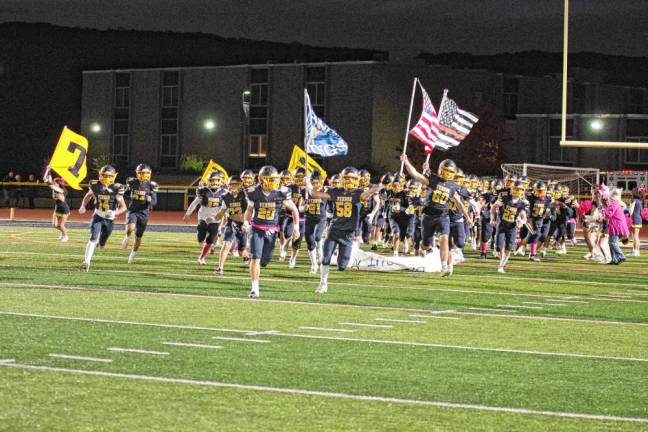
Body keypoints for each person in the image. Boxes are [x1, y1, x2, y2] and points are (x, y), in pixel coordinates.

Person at [307, 166, 382, 294]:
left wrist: (380, 186)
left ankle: (340, 261)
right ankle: (323, 283)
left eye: (351, 178)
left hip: (348, 233)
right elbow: (314, 194)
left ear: (357, 179)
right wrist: (308, 179)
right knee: (325, 258)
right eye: (346, 178)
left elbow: (367, 194)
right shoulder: (336, 191)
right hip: (334, 230)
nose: (348, 181)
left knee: (342, 266)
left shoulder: (358, 193)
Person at [401, 155, 473, 276]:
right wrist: (406, 162)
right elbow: (416, 175)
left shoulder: (453, 186)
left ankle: (444, 266)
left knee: (444, 239)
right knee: (425, 245)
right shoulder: (433, 179)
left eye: (449, 171)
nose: (447, 173)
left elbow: (459, 203)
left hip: (443, 216)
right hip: (428, 216)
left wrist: (468, 217)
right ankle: (429, 250)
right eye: (445, 170)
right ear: (440, 169)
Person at [242, 165, 299, 298]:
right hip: (257, 228)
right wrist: (246, 222)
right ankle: (254, 289)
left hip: (272, 230)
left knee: (265, 260)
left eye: (274, 179)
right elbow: (249, 210)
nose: (273, 182)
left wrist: (296, 227)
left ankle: (255, 262)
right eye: (270, 179)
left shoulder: (282, 192)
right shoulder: (253, 192)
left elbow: (294, 209)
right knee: (256, 257)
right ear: (262, 180)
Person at [78, 165, 127, 271]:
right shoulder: (95, 185)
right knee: (93, 238)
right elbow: (88, 196)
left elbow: (124, 207)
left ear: (113, 176)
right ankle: (86, 262)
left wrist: (116, 213)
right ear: (100, 175)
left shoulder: (117, 188)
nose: (105, 178)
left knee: (101, 243)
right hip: (98, 216)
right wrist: (83, 205)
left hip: (109, 220)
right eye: (103, 175)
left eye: (108, 176)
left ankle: (99, 243)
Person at [183, 171, 225, 264]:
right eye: (212, 180)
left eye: (216, 180)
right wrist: (187, 214)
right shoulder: (203, 191)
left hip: (215, 219)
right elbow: (195, 203)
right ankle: (206, 247)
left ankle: (202, 257)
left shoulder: (223, 193)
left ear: (220, 181)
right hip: (203, 218)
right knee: (200, 239)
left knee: (210, 240)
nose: (214, 183)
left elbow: (225, 208)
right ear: (208, 181)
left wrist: (215, 219)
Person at [121, 163, 159, 263]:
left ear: (149, 174)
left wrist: (150, 200)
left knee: (138, 236)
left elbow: (154, 202)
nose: (142, 175)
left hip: (143, 213)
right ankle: (127, 236)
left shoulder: (151, 185)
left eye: (145, 173)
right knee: (130, 228)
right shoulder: (132, 182)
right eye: (140, 173)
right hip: (132, 210)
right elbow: (125, 196)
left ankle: (132, 256)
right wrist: (131, 197)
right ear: (137, 173)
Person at [213, 175, 249, 275]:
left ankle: (246, 255)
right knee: (226, 245)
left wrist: (247, 223)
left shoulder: (245, 195)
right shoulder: (226, 196)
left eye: (235, 184)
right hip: (231, 222)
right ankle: (220, 268)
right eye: (231, 184)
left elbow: (251, 210)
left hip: (243, 224)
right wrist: (212, 219)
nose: (233, 186)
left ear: (240, 184)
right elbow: (221, 212)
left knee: (241, 250)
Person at [491, 180, 529, 273]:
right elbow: (493, 207)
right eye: (516, 189)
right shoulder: (504, 197)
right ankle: (501, 261)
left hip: (512, 227)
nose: (517, 191)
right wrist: (492, 218)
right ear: (512, 189)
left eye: (519, 189)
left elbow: (524, 217)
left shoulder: (522, 203)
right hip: (502, 225)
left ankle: (501, 265)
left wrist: (522, 222)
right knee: (499, 247)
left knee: (509, 247)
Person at [304, 170, 328, 273]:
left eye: (317, 183)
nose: (315, 185)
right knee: (310, 242)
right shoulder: (306, 191)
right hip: (309, 218)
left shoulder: (325, 191)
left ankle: (320, 253)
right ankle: (314, 265)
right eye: (313, 183)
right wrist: (303, 207)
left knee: (318, 237)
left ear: (321, 182)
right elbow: (300, 207)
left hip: (321, 219)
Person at [603, 188, 630, 264]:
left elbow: (608, 214)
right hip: (618, 226)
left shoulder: (614, 204)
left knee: (612, 243)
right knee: (611, 242)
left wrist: (603, 211)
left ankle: (621, 256)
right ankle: (615, 259)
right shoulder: (616, 203)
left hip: (616, 226)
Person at [43, 166, 70, 241]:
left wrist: (48, 170)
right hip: (57, 208)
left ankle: (65, 236)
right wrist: (48, 170)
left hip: (64, 209)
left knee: (60, 225)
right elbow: (46, 179)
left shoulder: (61, 190)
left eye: (55, 183)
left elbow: (47, 181)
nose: (53, 183)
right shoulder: (55, 188)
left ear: (58, 184)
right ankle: (64, 231)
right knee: (54, 225)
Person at [629, 186, 644, 257]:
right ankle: (637, 251)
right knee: (637, 236)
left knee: (634, 235)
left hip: (634, 218)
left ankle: (634, 251)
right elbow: (641, 211)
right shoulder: (640, 201)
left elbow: (630, 211)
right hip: (639, 218)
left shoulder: (634, 200)